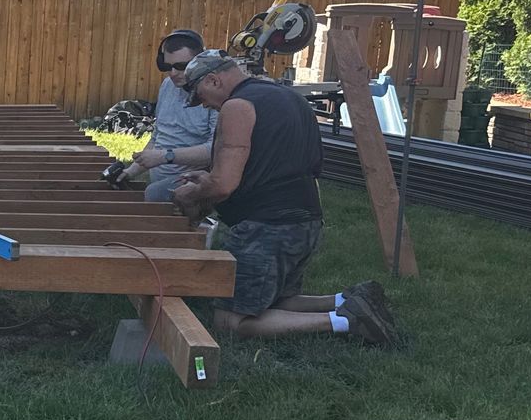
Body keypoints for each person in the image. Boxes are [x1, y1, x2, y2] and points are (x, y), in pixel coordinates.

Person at [169, 51, 403, 346]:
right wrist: (208, 179)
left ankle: (346, 321)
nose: (204, 105)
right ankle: (347, 299)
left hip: (266, 228)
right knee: (277, 301)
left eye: (200, 96)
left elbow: (224, 185)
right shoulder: (287, 96)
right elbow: (270, 163)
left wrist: (191, 193)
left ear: (214, 80)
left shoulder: (237, 106)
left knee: (230, 321)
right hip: (306, 221)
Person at [128, 29, 216, 202]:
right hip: (161, 180)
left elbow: (216, 150)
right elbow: (158, 136)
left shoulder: (214, 95)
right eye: (167, 67)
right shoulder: (168, 85)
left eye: (181, 66)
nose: (173, 73)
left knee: (154, 195)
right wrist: (129, 172)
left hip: (194, 180)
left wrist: (165, 156)